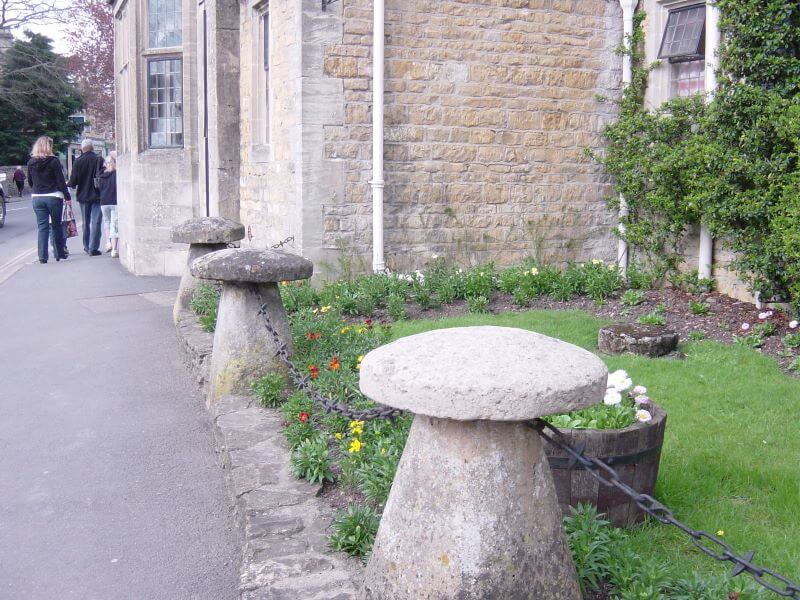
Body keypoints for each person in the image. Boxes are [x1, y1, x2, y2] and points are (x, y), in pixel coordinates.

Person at [27, 136, 70, 263]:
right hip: (53, 196)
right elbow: (61, 181)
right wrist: (67, 196)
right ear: (49, 147)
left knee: (42, 227)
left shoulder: (31, 162)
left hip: (37, 197)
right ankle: (59, 253)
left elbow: (30, 181)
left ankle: (42, 257)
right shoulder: (54, 161)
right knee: (56, 226)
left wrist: (37, 189)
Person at [67, 139, 104, 256]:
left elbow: (73, 182)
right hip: (98, 195)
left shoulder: (78, 162)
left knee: (85, 222)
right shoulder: (99, 159)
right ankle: (94, 248)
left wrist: (67, 183)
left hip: (83, 196)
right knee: (96, 222)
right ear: (92, 148)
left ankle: (87, 246)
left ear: (82, 149)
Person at [98, 151, 118, 258]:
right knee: (114, 225)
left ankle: (108, 242)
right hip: (114, 202)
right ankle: (114, 249)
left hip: (103, 202)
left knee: (106, 222)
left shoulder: (102, 175)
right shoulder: (116, 174)